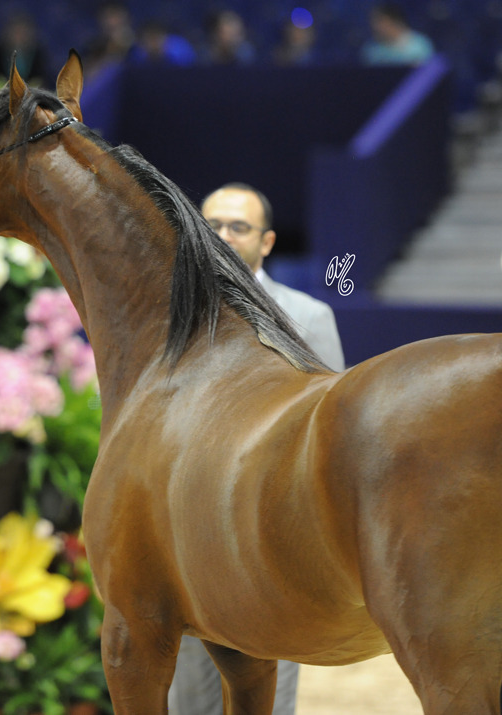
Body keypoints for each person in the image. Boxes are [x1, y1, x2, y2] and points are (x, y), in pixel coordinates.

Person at [168, 183, 345, 715]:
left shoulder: (309, 316)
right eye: (211, 225)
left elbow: (331, 431)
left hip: (268, 532)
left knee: (266, 680)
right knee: (188, 687)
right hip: (187, 524)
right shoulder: (169, 311)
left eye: (237, 227)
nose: (222, 236)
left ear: (266, 242)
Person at [0, 12, 50, 86]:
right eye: (16, 32)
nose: (19, 36)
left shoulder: (38, 55)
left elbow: (43, 79)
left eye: (23, 32)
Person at [360, 2, 434, 66]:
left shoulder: (419, 45)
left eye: (380, 21)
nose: (375, 26)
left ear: (395, 21)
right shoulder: (371, 50)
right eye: (373, 22)